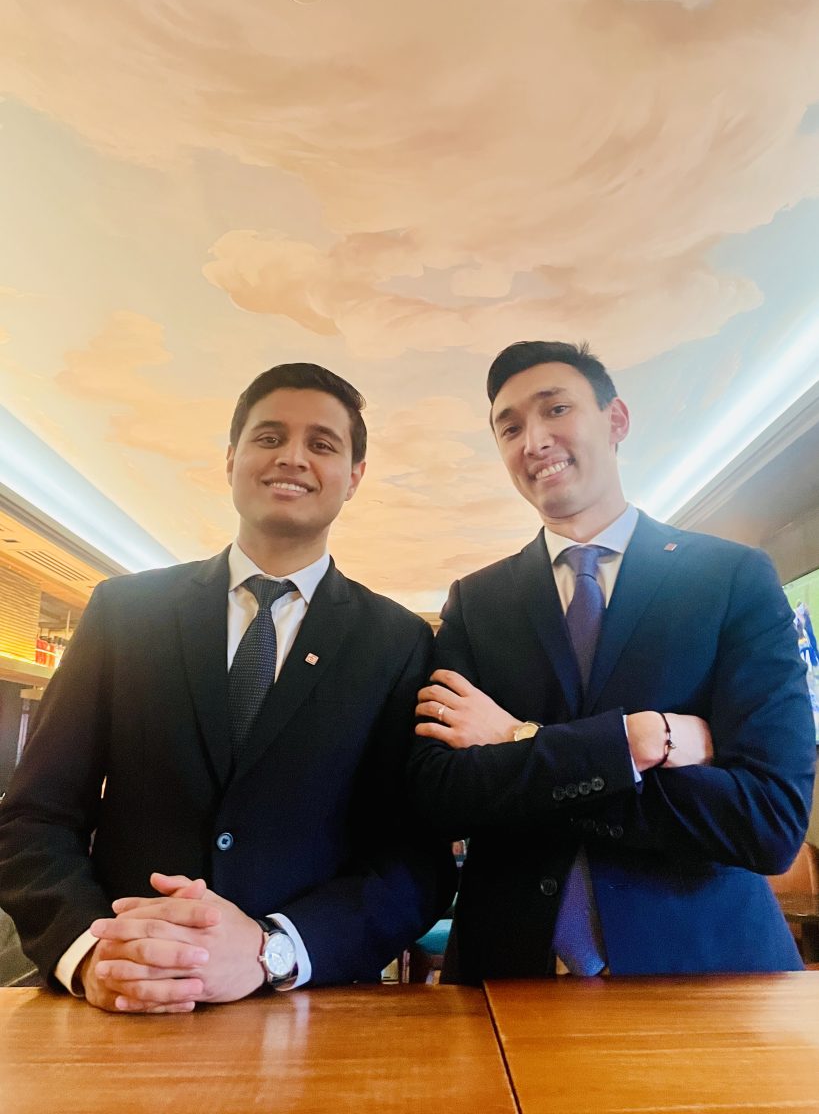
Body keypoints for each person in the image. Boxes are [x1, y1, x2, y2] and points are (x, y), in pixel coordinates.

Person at [0, 363, 454, 1013]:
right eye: (268, 436)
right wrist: (93, 952)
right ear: (232, 458)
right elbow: (34, 816)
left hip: (306, 1012)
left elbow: (412, 858)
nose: (291, 457)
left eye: (321, 443)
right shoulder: (125, 611)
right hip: (123, 1006)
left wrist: (276, 948)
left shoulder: (398, 642)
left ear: (354, 476)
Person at [408, 340, 815, 982]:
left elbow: (768, 820)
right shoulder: (476, 602)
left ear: (616, 420)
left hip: (706, 973)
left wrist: (521, 743)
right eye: (509, 427)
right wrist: (635, 745)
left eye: (556, 409)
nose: (533, 439)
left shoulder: (730, 577)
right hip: (508, 971)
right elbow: (440, 795)